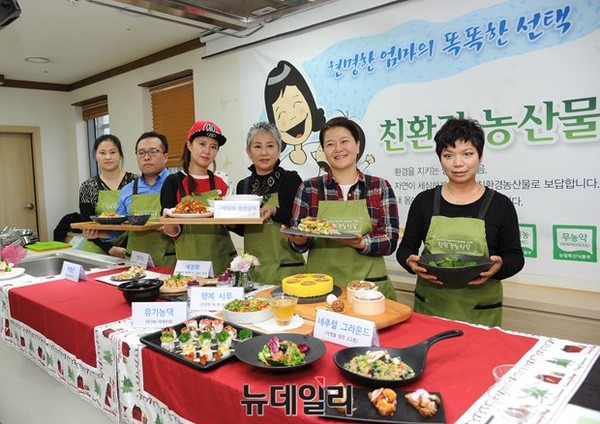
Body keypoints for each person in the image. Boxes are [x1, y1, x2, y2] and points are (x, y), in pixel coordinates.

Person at [396, 118, 524, 327]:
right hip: (431, 306)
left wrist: (499, 267)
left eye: (467, 154)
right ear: (440, 159)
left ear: (480, 156)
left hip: (480, 310)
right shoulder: (424, 201)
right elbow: (406, 249)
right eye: (448, 155)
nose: (458, 163)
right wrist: (409, 263)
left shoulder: (500, 204)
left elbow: (515, 257)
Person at [286, 116, 399, 300]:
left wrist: (362, 243)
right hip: (322, 287)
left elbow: (390, 240)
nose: (338, 149)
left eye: (344, 141)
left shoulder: (379, 187)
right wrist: (299, 241)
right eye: (330, 144)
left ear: (357, 146)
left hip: (369, 287)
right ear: (324, 151)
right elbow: (298, 241)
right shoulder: (309, 188)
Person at [232, 122, 305, 284]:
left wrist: (275, 211)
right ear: (248, 151)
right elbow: (245, 230)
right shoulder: (243, 185)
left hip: (287, 268)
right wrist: (231, 224)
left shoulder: (291, 179)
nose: (264, 152)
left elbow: (300, 221)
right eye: (257, 146)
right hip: (254, 268)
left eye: (270, 146)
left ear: (279, 149)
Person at [160, 121, 236, 275]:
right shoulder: (173, 182)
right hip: (191, 265)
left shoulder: (223, 181)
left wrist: (234, 219)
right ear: (189, 145)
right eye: (202, 144)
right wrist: (169, 223)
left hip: (223, 261)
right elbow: (172, 231)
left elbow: (232, 224)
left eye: (213, 147)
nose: (207, 151)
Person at [114, 131, 176, 267]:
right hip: (135, 265)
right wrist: (100, 234)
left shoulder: (179, 185)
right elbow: (118, 227)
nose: (146, 157)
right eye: (141, 153)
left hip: (170, 263)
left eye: (153, 152)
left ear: (165, 157)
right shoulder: (127, 190)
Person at [78, 134, 137, 256]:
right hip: (97, 249)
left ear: (120, 154)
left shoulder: (135, 182)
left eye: (112, 152)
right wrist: (110, 248)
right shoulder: (88, 187)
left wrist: (124, 249)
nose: (108, 157)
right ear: (95, 156)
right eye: (102, 153)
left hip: (132, 246)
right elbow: (88, 224)